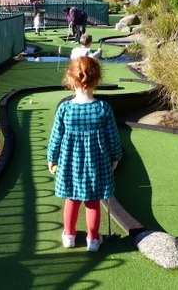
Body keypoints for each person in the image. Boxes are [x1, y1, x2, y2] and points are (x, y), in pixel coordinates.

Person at [47, 57, 122, 252]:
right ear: (96, 80)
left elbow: (56, 137)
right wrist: (115, 158)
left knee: (71, 199)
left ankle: (69, 236)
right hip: (96, 163)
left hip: (70, 163)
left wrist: (52, 158)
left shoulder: (65, 108)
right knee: (93, 201)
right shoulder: (102, 108)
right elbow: (113, 137)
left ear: (70, 79)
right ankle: (93, 240)